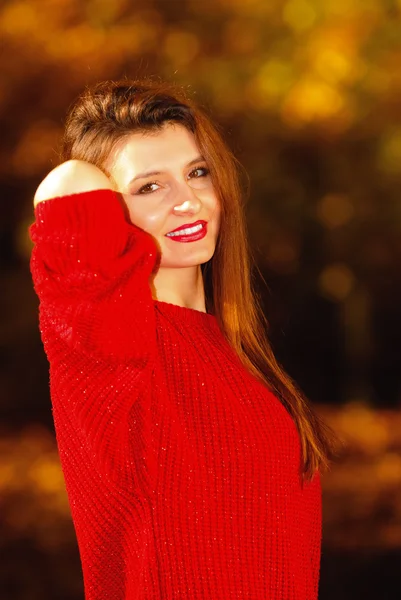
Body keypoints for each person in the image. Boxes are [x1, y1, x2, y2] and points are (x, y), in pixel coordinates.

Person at [30, 79, 334, 599]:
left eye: (198, 173)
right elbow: (66, 184)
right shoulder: (107, 347)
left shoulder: (237, 353)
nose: (188, 201)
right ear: (108, 205)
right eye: (150, 187)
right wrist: (95, 153)